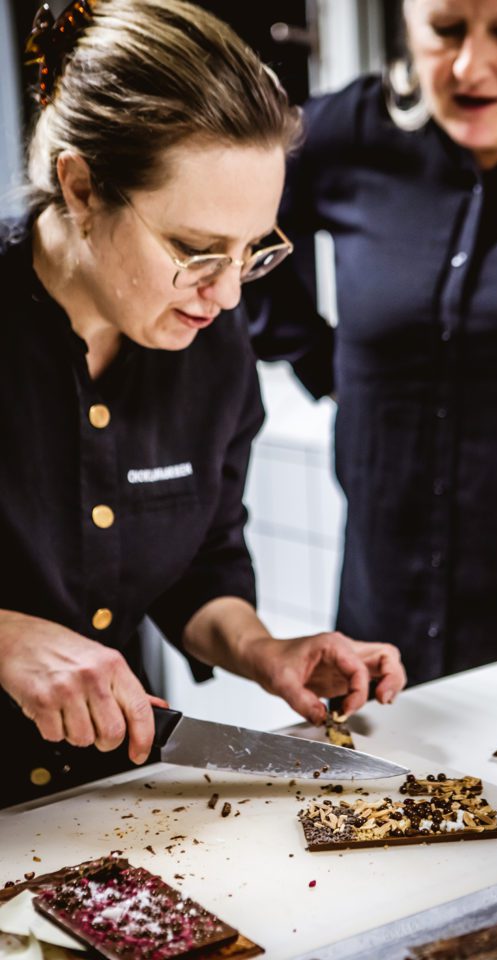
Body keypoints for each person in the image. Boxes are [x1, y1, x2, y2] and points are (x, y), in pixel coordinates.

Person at [0, 0, 406, 808]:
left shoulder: (210, 343)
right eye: (195, 250)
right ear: (82, 188)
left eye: (253, 250)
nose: (227, 295)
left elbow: (201, 560)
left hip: (97, 802)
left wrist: (263, 649)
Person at [248, 0, 497, 686]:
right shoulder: (347, 130)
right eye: (445, 30)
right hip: (384, 613)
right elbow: (237, 243)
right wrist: (326, 367)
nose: (469, 66)